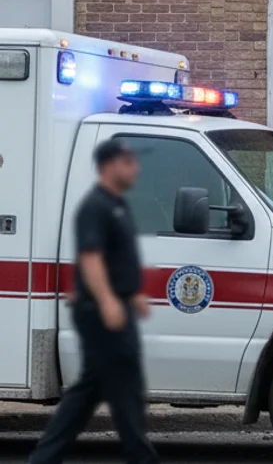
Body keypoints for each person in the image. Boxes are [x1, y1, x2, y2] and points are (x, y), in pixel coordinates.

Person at [28, 139, 158, 464]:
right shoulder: (95, 206)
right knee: (118, 389)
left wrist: (132, 294)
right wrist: (107, 301)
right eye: (129, 163)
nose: (135, 169)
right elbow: (90, 257)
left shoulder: (118, 204)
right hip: (102, 314)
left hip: (116, 308)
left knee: (99, 389)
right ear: (110, 166)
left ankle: (44, 459)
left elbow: (117, 257)